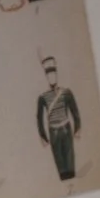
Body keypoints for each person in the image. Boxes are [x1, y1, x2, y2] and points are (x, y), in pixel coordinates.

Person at [36, 53, 81, 181]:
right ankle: (64, 181)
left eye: (53, 74)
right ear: (46, 77)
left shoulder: (66, 92)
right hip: (53, 131)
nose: (51, 78)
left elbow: (74, 111)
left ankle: (71, 180)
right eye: (48, 75)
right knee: (59, 160)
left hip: (66, 128)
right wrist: (43, 136)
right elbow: (39, 118)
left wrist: (77, 128)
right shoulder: (43, 97)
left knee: (69, 156)